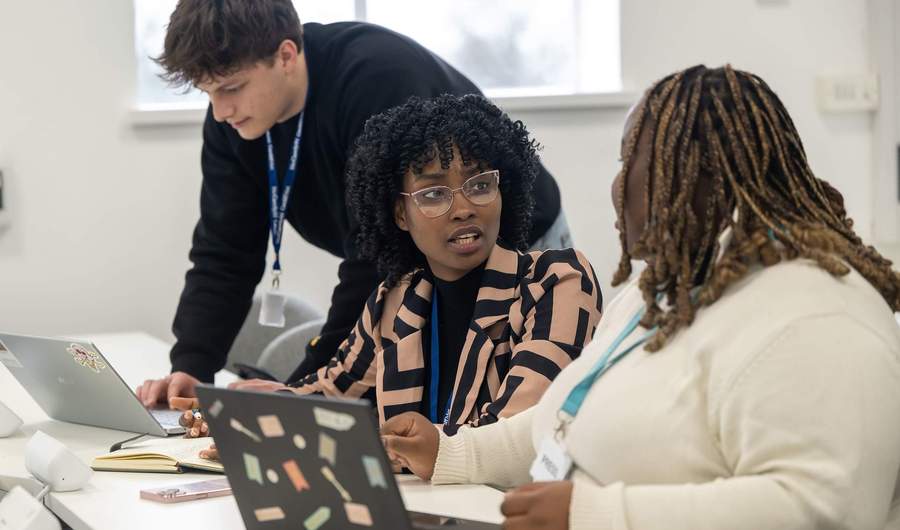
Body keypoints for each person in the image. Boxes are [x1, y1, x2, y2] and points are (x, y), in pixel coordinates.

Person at [379, 65, 900, 530]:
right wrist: (449, 452)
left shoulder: (815, 315)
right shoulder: (665, 289)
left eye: (631, 161)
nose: (616, 184)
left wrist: (594, 515)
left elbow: (817, 506)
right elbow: (558, 424)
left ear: (699, 180)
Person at [134, 0, 569, 408]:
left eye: (231, 87)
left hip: (511, 240)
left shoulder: (377, 81)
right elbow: (224, 251)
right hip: (406, 258)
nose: (221, 110)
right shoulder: (232, 122)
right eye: (207, 92)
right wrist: (191, 367)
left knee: (496, 412)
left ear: (286, 55)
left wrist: (306, 391)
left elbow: (380, 258)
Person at [182, 94, 603, 461]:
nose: (463, 208)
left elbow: (511, 433)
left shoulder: (555, 282)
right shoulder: (398, 297)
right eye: (433, 193)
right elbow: (331, 391)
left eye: (479, 185)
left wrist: (354, 445)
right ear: (400, 214)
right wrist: (244, 419)